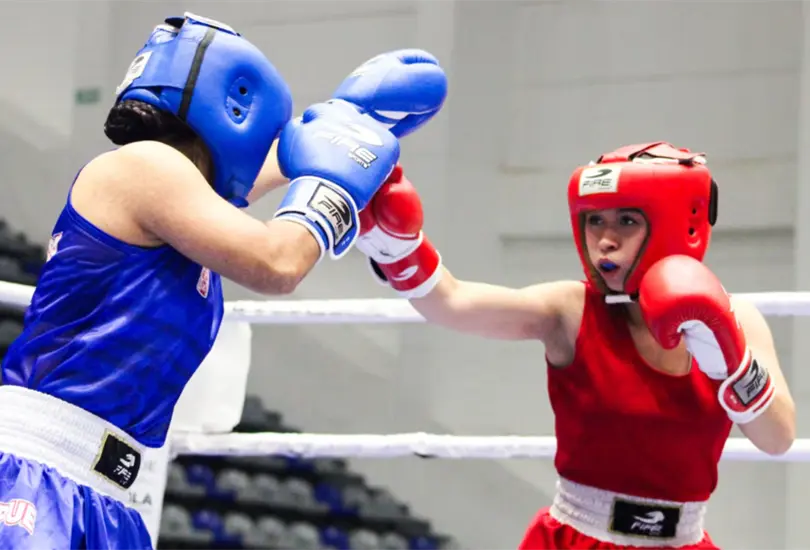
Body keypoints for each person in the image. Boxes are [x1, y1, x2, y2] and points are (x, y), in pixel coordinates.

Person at [0, 12, 446, 549]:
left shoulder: (181, 203)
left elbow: (254, 185)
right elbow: (279, 263)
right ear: (236, 101)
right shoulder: (144, 167)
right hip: (38, 475)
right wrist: (337, 183)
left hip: (103, 494)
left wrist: (345, 121)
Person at [355, 142, 796, 549]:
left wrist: (731, 364)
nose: (605, 239)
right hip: (574, 538)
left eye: (626, 220)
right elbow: (452, 303)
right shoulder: (572, 309)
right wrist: (398, 248)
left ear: (679, 224)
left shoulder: (739, 321)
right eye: (594, 220)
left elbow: (777, 440)